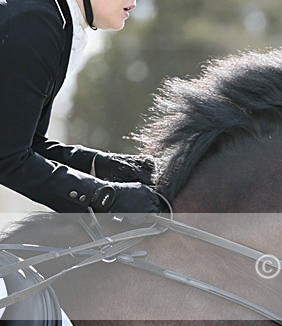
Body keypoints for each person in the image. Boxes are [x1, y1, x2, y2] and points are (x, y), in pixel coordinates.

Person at [0, 0, 161, 216]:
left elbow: (26, 143)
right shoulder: (36, 23)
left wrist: (102, 165)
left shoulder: (51, 19)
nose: (134, 3)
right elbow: (8, 157)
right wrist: (105, 197)